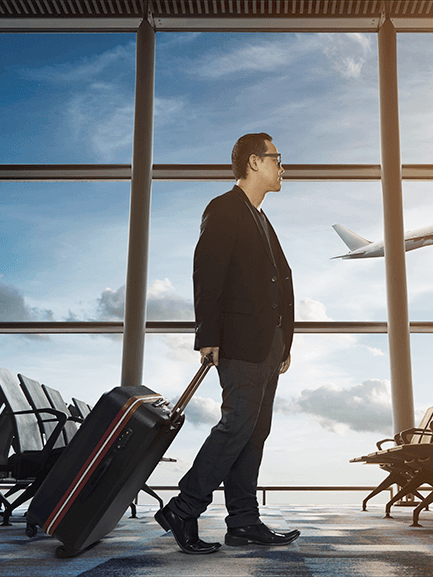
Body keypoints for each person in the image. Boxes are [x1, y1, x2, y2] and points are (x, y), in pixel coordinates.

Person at [155, 133, 298, 554]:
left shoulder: (260, 217)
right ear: (255, 162)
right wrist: (208, 337)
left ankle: (243, 521)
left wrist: (283, 343)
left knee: (255, 432)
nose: (282, 168)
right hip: (239, 341)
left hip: (267, 344)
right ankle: (184, 507)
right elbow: (208, 274)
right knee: (237, 424)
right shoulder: (224, 209)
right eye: (277, 159)